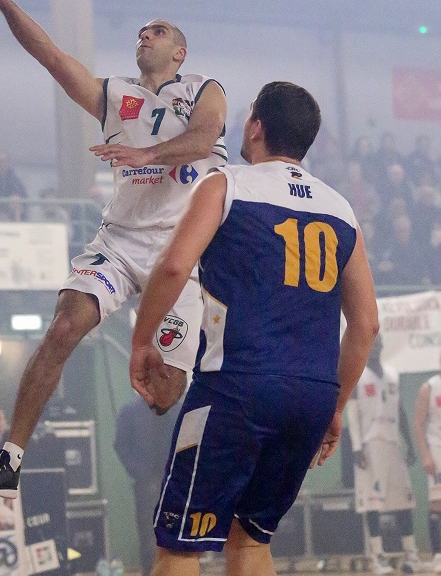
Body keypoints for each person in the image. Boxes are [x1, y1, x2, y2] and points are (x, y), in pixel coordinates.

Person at [0, 0, 227, 499]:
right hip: (121, 243)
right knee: (60, 328)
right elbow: (52, 57)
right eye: (140, 31)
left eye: (156, 31)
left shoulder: (202, 88)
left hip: (182, 250)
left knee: (166, 390)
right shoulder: (116, 96)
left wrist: (148, 156)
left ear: (179, 49)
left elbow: (204, 139)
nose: (143, 36)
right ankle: (10, 457)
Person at [129, 81, 379, 576]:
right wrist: (336, 406)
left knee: (180, 545)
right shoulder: (340, 209)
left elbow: (176, 266)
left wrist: (141, 340)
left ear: (257, 126)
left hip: (237, 388)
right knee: (251, 542)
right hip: (310, 398)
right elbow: (367, 323)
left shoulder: (227, 184)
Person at [348, 333, 428, 575]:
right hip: (370, 445)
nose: (376, 346)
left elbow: (400, 410)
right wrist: (356, 448)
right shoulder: (357, 374)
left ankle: (411, 556)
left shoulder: (393, 373)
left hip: (393, 443)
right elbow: (351, 413)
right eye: (372, 343)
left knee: (404, 500)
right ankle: (377, 558)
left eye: (379, 343)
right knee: (373, 503)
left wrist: (410, 445)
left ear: (382, 346)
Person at [115, 395, 179, 576]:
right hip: (147, 483)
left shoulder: (179, 410)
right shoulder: (131, 412)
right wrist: (139, 472)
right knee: (148, 537)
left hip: (175, 482)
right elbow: (121, 445)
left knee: (177, 536)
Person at [414, 355, 441, 573]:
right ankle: (437, 555)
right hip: (437, 450)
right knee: (437, 503)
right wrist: (425, 455)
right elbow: (418, 423)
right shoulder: (429, 387)